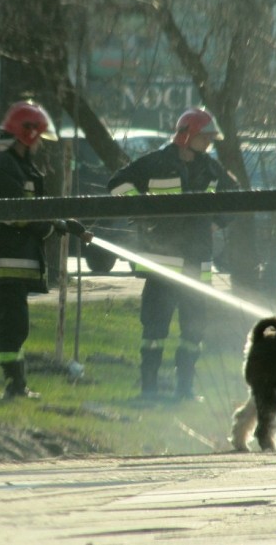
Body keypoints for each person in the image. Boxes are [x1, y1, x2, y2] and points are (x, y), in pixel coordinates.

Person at [107, 107, 238, 401]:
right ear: (186, 135)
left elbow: (236, 196)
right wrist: (142, 211)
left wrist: (217, 221)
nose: (209, 144)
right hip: (162, 265)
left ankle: (185, 391)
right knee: (154, 330)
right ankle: (149, 390)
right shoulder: (155, 163)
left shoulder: (211, 168)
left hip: (197, 263)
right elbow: (117, 184)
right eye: (205, 138)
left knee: (194, 332)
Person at [0, 100, 90, 399]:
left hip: (15, 258)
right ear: (28, 134)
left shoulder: (19, 166)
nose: (41, 147)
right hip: (5, 259)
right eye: (39, 140)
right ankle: (16, 386)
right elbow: (15, 214)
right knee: (15, 328)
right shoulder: (2, 167)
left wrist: (64, 224)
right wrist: (48, 227)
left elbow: (32, 210)